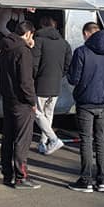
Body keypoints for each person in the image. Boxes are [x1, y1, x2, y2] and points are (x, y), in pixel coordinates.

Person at [67, 22, 104, 193]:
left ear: (87, 34)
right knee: (101, 140)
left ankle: (86, 179)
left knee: (86, 140)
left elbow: (73, 79)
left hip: (85, 101)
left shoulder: (82, 52)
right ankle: (102, 180)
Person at [0, 20, 41, 189]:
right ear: (29, 33)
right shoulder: (23, 51)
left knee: (8, 137)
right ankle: (21, 177)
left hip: (8, 98)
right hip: (21, 101)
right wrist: (32, 101)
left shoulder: (5, 46)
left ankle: (7, 173)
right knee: (22, 139)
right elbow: (26, 80)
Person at [31, 16, 71, 155]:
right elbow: (68, 64)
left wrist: (33, 77)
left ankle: (53, 139)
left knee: (36, 112)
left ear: (42, 25)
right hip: (56, 84)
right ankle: (43, 143)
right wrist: (59, 75)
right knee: (48, 114)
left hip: (40, 84)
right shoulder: (64, 43)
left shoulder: (39, 41)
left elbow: (34, 64)